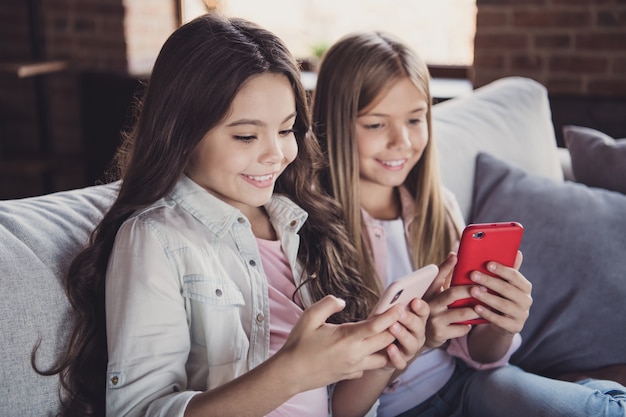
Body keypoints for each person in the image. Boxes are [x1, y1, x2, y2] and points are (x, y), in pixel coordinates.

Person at [38, 15, 431, 417]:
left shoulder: (301, 225)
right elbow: (139, 411)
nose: (275, 154)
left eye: (286, 130)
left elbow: (339, 410)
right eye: (246, 135)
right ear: (181, 132)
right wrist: (290, 373)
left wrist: (385, 359)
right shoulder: (157, 239)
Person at [311, 30, 626, 417]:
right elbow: (332, 400)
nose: (402, 141)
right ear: (334, 122)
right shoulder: (313, 229)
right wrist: (419, 341)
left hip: (469, 383)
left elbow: (480, 355)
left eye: (415, 119)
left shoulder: (438, 207)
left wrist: (502, 324)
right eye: (376, 124)